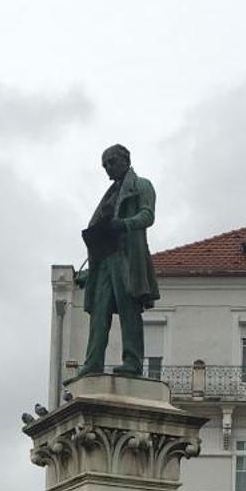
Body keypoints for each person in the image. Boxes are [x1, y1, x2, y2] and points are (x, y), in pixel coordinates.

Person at [70, 143, 158, 380]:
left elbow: (148, 215)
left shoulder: (141, 185)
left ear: (125, 160)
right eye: (104, 165)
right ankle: (93, 362)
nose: (108, 168)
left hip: (127, 257)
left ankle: (132, 361)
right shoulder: (109, 195)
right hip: (104, 260)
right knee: (99, 312)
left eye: (111, 162)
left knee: (129, 309)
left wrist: (124, 224)